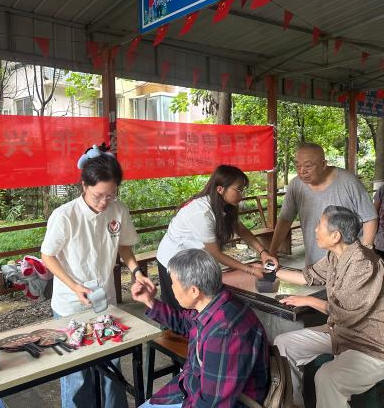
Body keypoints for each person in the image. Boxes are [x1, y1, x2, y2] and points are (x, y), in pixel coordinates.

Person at [41, 146, 151, 408]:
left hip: (105, 301)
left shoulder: (118, 210)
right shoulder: (65, 215)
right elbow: (48, 255)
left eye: (110, 195)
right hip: (71, 304)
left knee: (112, 365)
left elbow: (124, 247)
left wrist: (136, 272)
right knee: (77, 373)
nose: (104, 202)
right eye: (98, 195)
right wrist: (74, 286)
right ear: (84, 186)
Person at [273, 205, 384, 407]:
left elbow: (345, 315)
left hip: (371, 345)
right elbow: (309, 276)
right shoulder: (335, 256)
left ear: (335, 236)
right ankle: (293, 404)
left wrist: (309, 301)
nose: (315, 229)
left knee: (327, 377)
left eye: (320, 225)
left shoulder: (363, 264)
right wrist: (272, 271)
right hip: (340, 333)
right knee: (283, 344)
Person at [132, 248, 270, 407]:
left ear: (194, 291)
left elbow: (213, 403)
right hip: (191, 388)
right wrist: (149, 301)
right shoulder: (214, 301)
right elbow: (185, 323)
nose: (172, 287)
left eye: (174, 283)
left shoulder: (224, 332)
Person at [155, 165, 280, 310]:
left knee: (198, 302)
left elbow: (240, 229)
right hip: (172, 259)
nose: (242, 195)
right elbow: (216, 254)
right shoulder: (201, 213)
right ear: (220, 189)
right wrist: (250, 270)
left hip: (194, 258)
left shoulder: (224, 205)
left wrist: (263, 252)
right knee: (179, 307)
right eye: (239, 190)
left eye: (243, 190)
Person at [268, 143, 375, 266]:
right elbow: (285, 220)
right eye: (297, 165)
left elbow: (370, 218)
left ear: (323, 164)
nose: (302, 171)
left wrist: (365, 253)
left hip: (349, 262)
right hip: (314, 262)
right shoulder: (296, 185)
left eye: (308, 166)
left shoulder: (349, 182)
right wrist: (273, 251)